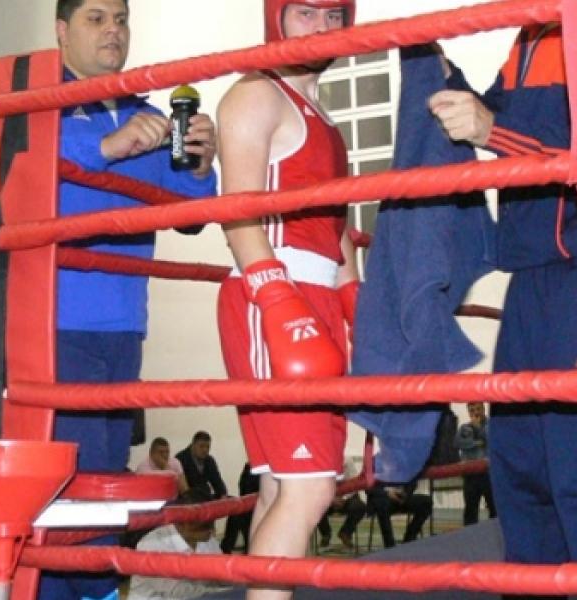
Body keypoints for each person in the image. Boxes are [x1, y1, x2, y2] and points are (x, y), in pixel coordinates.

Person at [428, 11, 577, 588]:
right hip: (530, 272)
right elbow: (497, 114)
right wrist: (441, 73)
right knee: (519, 458)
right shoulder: (529, 37)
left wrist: (490, 130)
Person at [48, 1, 217, 597]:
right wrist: (108, 147)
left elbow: (190, 215)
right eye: (96, 18)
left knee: (106, 478)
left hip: (124, 323)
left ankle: (97, 590)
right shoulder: (39, 104)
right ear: (62, 31)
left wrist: (200, 165)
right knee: (67, 479)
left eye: (120, 18)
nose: (113, 30)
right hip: (56, 321)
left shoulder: (148, 116)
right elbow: (26, 173)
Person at [216, 2, 357, 597]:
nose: (321, 28)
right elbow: (236, 209)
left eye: (333, 15)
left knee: (281, 486)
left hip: (316, 295)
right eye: (306, 12)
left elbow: (337, 228)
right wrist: (276, 298)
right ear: (277, 15)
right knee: (310, 488)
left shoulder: (324, 118)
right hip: (271, 292)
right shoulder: (256, 94)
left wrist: (352, 299)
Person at [127, 490, 229, 600]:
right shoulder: (152, 545)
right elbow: (176, 591)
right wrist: (223, 593)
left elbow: (221, 574)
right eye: (205, 526)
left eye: (213, 523)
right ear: (181, 522)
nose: (212, 530)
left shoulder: (208, 540)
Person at [456, 402, 495, 524]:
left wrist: (477, 428)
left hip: (488, 473)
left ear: (483, 409)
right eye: (472, 410)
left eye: (478, 409)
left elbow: (490, 440)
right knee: (470, 510)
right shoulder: (464, 427)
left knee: (494, 508)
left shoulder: (491, 425)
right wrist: (477, 443)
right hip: (471, 474)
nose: (476, 413)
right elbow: (460, 444)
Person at [364, 481, 432, 549]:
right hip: (383, 497)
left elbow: (413, 481)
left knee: (426, 502)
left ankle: (409, 539)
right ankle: (390, 546)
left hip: (401, 496)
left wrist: (404, 494)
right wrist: (387, 493)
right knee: (381, 504)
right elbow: (369, 488)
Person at [315, 459, 366, 550]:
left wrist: (344, 498)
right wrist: (331, 499)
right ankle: (326, 534)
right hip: (327, 497)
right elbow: (317, 486)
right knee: (315, 507)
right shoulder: (321, 461)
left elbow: (355, 482)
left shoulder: (347, 461)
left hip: (347, 496)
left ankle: (345, 533)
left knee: (360, 507)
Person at [175, 431, 227, 500]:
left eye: (208, 447)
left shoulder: (209, 460)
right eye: (201, 446)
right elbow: (182, 489)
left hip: (205, 497)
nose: (205, 450)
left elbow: (218, 481)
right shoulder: (180, 459)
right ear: (193, 445)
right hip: (187, 499)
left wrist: (223, 495)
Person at [220, 462, 259, 554]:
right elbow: (244, 491)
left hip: (267, 506)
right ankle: (226, 550)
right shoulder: (251, 467)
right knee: (237, 511)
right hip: (252, 505)